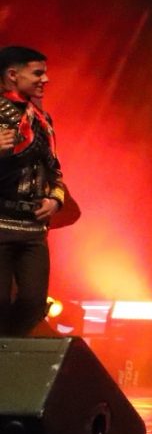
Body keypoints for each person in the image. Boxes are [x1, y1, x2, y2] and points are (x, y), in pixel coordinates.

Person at [0, 46, 67, 336]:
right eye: (38, 73)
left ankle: (10, 350)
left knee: (34, 304)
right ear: (13, 75)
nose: (45, 79)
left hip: (33, 229)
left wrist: (55, 200)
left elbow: (55, 171)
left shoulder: (42, 120)